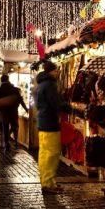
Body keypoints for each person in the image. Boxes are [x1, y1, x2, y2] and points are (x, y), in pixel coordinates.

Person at [36, 60, 69, 194]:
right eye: (55, 70)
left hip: (44, 122)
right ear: (50, 71)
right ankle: (48, 184)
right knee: (51, 154)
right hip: (49, 123)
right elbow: (56, 103)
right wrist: (69, 108)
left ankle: (48, 182)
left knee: (45, 154)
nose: (57, 73)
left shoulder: (42, 84)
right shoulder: (49, 85)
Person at [0, 74, 28, 150]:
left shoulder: (0, 90)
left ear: (1, 80)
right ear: (8, 79)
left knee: (5, 128)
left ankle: (6, 143)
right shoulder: (14, 89)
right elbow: (20, 99)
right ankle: (15, 141)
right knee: (15, 126)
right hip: (13, 111)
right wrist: (26, 108)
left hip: (4, 112)